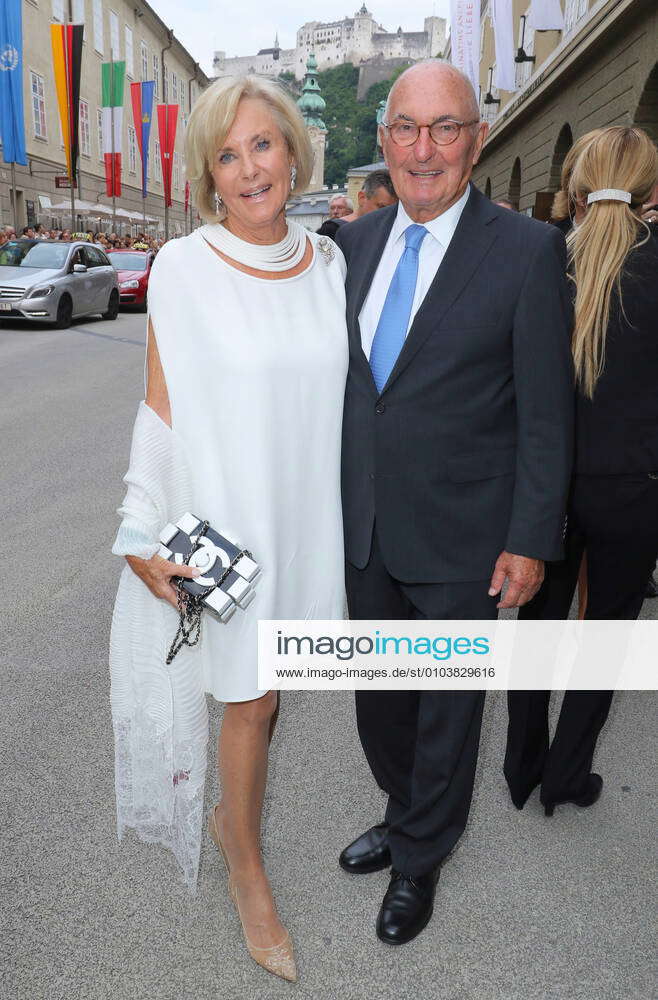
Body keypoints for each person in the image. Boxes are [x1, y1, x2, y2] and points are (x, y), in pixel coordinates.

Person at [109, 74, 348, 983]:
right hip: (231, 526)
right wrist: (140, 533)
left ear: (293, 151)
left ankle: (235, 823)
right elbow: (161, 407)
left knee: (274, 690)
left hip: (307, 519)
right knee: (248, 700)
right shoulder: (184, 266)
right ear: (210, 174)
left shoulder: (329, 263)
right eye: (227, 153)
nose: (250, 169)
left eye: (263, 145)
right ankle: (244, 861)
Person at [334, 59, 573, 945]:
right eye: (407, 128)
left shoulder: (527, 250)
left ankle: (422, 854)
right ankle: (405, 812)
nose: (423, 149)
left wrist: (530, 539)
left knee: (446, 709)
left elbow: (547, 416)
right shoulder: (350, 247)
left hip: (471, 537)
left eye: (445, 128)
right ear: (385, 141)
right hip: (365, 531)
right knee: (379, 700)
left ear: (476, 140)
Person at [505, 126, 658, 816]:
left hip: (548, 486)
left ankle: (520, 765)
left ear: (575, 184)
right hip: (636, 487)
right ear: (651, 190)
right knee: (607, 634)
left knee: (535, 626)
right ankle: (567, 776)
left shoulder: (542, 260)